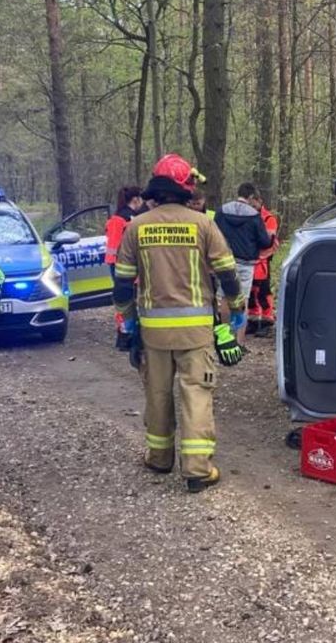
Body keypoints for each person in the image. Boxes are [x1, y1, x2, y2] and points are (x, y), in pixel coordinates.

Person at [112, 153, 246, 493]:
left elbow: (122, 283)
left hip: (153, 333)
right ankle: (198, 469)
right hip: (196, 333)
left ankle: (159, 458)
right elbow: (228, 273)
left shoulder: (136, 226)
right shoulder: (203, 224)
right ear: (186, 188)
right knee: (196, 395)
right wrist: (238, 308)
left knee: (157, 395)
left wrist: (127, 321)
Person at [213, 183, 272, 344]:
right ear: (251, 197)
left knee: (224, 298)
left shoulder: (222, 211)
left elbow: (213, 234)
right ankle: (239, 340)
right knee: (242, 300)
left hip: (224, 261)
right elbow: (265, 242)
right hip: (246, 263)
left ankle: (224, 337)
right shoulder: (254, 215)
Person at [106, 187, 144, 347]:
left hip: (124, 265)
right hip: (122, 266)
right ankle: (125, 335)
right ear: (136, 200)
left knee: (130, 301)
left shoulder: (127, 218)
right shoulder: (122, 219)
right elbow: (115, 247)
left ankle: (131, 333)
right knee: (125, 300)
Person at [247, 202, 280, 334]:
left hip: (262, 261)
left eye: (254, 205)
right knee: (250, 292)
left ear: (259, 202)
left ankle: (267, 321)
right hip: (249, 259)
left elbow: (268, 241)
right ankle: (253, 320)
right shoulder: (247, 216)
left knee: (263, 292)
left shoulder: (268, 219)